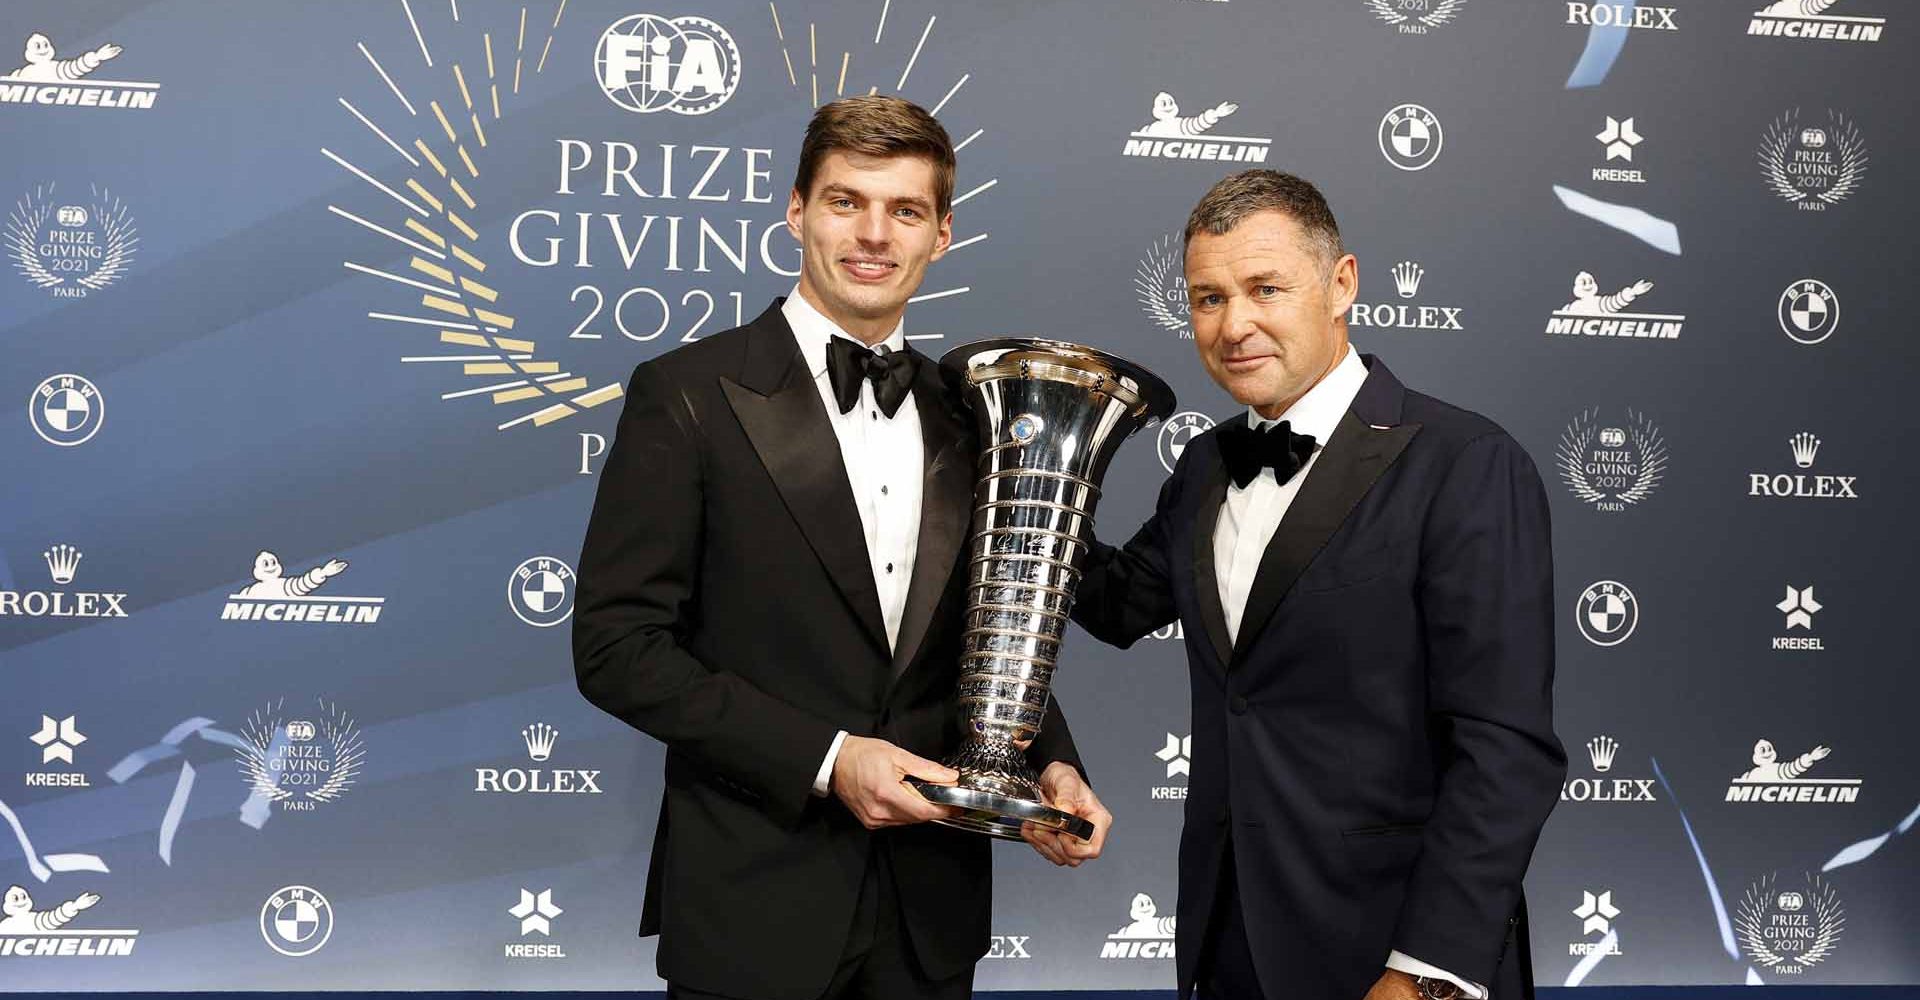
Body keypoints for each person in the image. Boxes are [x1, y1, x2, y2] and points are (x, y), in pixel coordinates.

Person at [572, 95, 1111, 1000]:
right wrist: (828, 759)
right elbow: (618, 650)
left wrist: (1048, 765)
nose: (873, 234)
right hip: (753, 906)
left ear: (942, 235)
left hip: (929, 918)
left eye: (904, 210)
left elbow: (990, 632)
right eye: (845, 201)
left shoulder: (975, 411)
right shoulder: (688, 394)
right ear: (795, 211)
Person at [1064, 170, 1564, 1000]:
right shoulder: (1204, 465)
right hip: (1228, 949)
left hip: (1389, 955)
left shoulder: (1466, 464)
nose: (1235, 325)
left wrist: (1427, 974)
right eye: (1208, 298)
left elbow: (1506, 750)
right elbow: (1117, 603)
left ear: (1341, 285)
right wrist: (1026, 479)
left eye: (1265, 289)